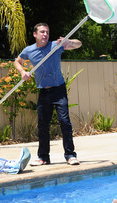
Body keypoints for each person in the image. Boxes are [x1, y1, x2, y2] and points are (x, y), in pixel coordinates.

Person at [14, 22, 82, 166]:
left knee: (65, 122)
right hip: (44, 92)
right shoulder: (29, 50)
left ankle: (70, 155)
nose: (45, 34)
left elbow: (79, 44)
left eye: (47, 32)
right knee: (43, 125)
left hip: (59, 90)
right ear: (35, 34)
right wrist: (22, 72)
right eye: (42, 32)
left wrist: (69, 42)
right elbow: (17, 61)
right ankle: (43, 157)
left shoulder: (55, 46)